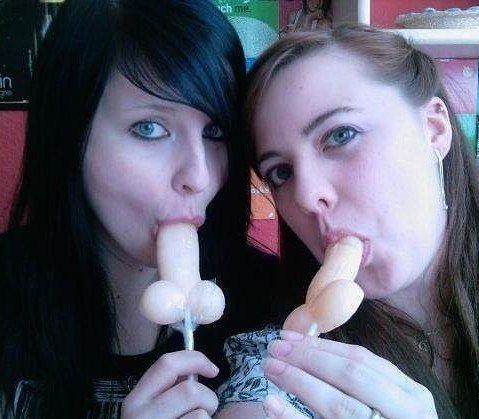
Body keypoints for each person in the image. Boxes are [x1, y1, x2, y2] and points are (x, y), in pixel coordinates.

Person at [215, 25, 479, 418]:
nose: (306, 196)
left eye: (340, 135)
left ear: (434, 129)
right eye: (281, 172)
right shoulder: (281, 362)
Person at [0, 0, 279, 418]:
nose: (200, 176)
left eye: (215, 130)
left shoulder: (270, 306)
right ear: (69, 136)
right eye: (149, 128)